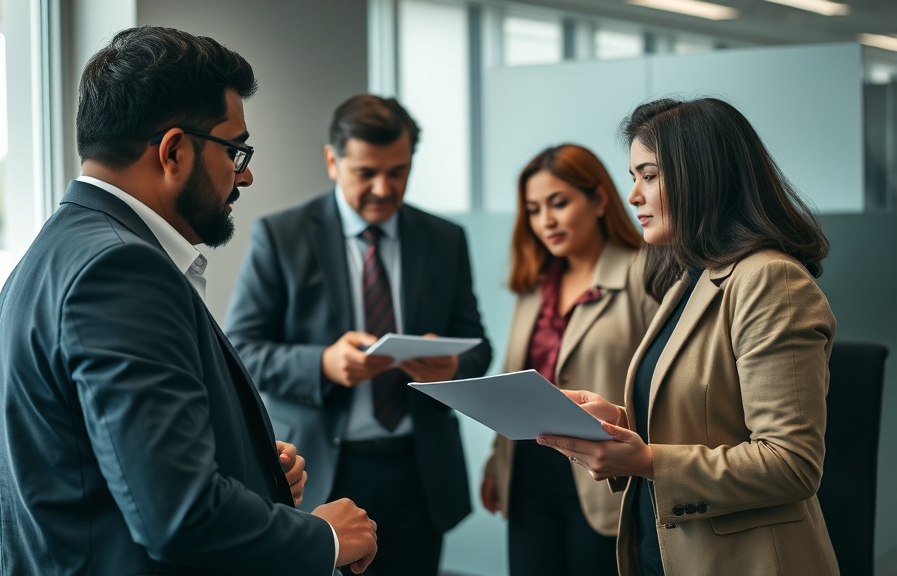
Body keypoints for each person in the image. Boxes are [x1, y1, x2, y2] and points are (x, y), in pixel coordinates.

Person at [0, 26, 377, 576]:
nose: (246, 175)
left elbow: (108, 467)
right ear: (173, 151)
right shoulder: (119, 271)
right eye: (236, 150)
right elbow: (179, 518)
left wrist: (250, 470)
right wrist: (323, 537)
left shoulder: (58, 249)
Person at [537, 97, 839, 575]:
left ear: (703, 175)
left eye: (649, 176)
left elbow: (790, 464)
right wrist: (615, 421)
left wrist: (648, 460)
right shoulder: (690, 277)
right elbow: (705, 420)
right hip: (667, 551)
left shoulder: (770, 280)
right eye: (634, 176)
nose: (633, 195)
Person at [224, 94, 492, 576]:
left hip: (420, 471)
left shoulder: (445, 239)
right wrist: (322, 364)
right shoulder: (281, 236)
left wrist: (452, 366)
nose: (384, 188)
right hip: (325, 472)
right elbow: (241, 350)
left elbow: (477, 346)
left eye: (398, 171)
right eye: (366, 172)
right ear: (333, 161)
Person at [480, 144, 657, 576]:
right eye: (534, 209)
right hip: (528, 469)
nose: (547, 221)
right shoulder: (536, 283)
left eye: (559, 203)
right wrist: (494, 463)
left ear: (598, 200)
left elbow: (664, 384)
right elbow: (515, 377)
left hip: (603, 474)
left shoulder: (645, 273)